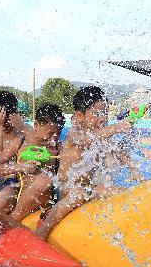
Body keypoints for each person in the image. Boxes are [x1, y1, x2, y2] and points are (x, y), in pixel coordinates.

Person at [35, 86, 133, 238]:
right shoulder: (76, 133)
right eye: (96, 113)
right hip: (67, 192)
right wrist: (116, 127)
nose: (102, 118)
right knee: (79, 194)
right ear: (80, 116)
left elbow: (119, 154)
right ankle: (42, 232)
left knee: (121, 191)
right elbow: (86, 140)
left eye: (105, 113)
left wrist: (135, 171)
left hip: (89, 189)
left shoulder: (102, 135)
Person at [8, 103, 67, 221]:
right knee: (44, 180)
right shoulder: (21, 143)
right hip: (23, 196)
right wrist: (19, 167)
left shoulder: (59, 149)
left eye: (58, 134)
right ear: (36, 125)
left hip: (47, 200)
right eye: (50, 134)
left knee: (48, 180)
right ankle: (14, 219)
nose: (53, 139)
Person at [0, 91, 27, 210]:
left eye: (8, 117)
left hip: (13, 183)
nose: (5, 122)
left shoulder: (21, 134)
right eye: (0, 118)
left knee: (8, 190)